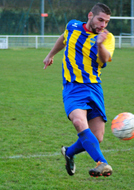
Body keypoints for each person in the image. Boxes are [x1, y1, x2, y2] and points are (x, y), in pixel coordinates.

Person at [43, 2, 115, 177]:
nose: (103, 25)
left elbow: (105, 60)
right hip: (73, 87)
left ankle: (69, 152)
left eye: (106, 22)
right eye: (100, 20)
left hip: (94, 87)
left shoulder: (107, 38)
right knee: (78, 121)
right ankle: (102, 162)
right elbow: (63, 37)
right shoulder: (73, 26)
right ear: (90, 16)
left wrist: (99, 44)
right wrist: (50, 54)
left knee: (97, 138)